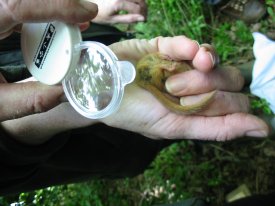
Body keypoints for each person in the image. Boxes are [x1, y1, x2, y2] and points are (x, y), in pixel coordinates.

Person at [0, 0, 269, 197]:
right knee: (170, 120)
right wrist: (62, 102)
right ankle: (250, 85)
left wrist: (93, 10)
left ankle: (252, 75)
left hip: (100, 53)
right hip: (96, 142)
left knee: (195, 84)